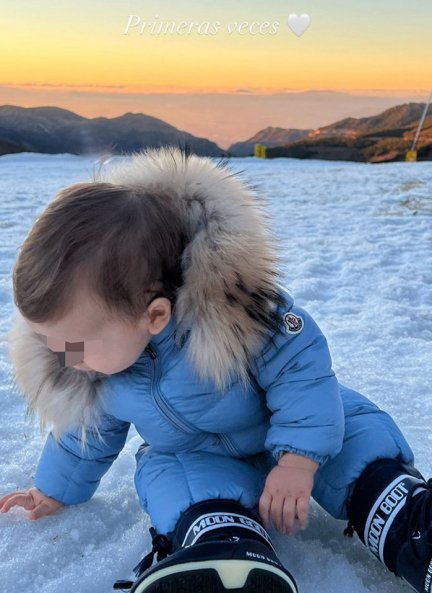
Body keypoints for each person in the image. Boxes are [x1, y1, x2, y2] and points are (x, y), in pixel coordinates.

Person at [1, 146, 430, 593]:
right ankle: (224, 549)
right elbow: (82, 438)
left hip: (304, 427)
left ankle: (407, 517)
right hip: (198, 455)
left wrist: (300, 462)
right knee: (176, 479)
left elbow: (302, 372)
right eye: (51, 342)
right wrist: (52, 490)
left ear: (155, 316)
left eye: (75, 343)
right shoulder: (96, 370)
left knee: (355, 447)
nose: (64, 355)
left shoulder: (235, 313)